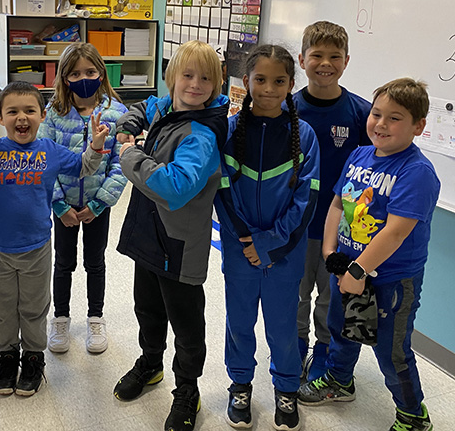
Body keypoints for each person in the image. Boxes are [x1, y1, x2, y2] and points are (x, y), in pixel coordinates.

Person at [298, 78, 440, 431]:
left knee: (392, 352)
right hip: (347, 269)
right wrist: (331, 253)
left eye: (395, 118)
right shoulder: (359, 155)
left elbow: (395, 232)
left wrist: (358, 272)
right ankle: (339, 381)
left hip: (390, 281)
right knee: (341, 331)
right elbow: (336, 204)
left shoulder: (416, 172)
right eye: (377, 114)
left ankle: (413, 415)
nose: (380, 123)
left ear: (418, 127)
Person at [0, 81, 110, 398]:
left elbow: (83, 168)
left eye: (29, 111)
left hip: (37, 248)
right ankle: (8, 357)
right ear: (0, 117)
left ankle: (34, 358)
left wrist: (94, 147)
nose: (21, 117)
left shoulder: (50, 152)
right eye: (13, 111)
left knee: (34, 308)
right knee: (1, 308)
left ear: (42, 116)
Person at [112, 40, 228, 431]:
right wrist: (129, 122)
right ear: (172, 79)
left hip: (179, 245)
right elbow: (144, 106)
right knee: (146, 307)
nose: (195, 85)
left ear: (217, 84)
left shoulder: (202, 134)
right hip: (150, 233)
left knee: (186, 322)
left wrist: (129, 154)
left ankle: (187, 389)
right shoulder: (168, 105)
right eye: (187, 75)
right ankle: (150, 363)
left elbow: (176, 189)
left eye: (206, 78)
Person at [215, 44, 320, 431]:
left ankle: (286, 388)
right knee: (239, 322)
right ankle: (240, 384)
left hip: (284, 254)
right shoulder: (228, 130)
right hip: (238, 248)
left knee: (282, 326)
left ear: (291, 84)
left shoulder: (303, 135)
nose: (269, 88)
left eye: (279, 81)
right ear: (247, 81)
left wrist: (270, 243)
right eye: (261, 80)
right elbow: (222, 192)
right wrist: (246, 239)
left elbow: (307, 200)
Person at [292, 21, 371, 381]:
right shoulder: (286, 109)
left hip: (340, 231)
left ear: (347, 61)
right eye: (317, 55)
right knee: (295, 294)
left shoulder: (361, 113)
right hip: (294, 224)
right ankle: (293, 347)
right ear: (301, 59)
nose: (326, 63)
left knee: (330, 297)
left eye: (334, 56)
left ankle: (324, 350)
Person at [38, 43, 128, 354]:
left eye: (90, 72)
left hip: (96, 206)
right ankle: (60, 318)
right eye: (75, 73)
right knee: (63, 263)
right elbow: (42, 162)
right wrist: (58, 204)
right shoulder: (52, 114)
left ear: (102, 74)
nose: (84, 78)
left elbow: (121, 164)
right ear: (64, 79)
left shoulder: (117, 114)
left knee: (95, 262)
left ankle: (95, 317)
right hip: (62, 206)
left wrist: (100, 203)